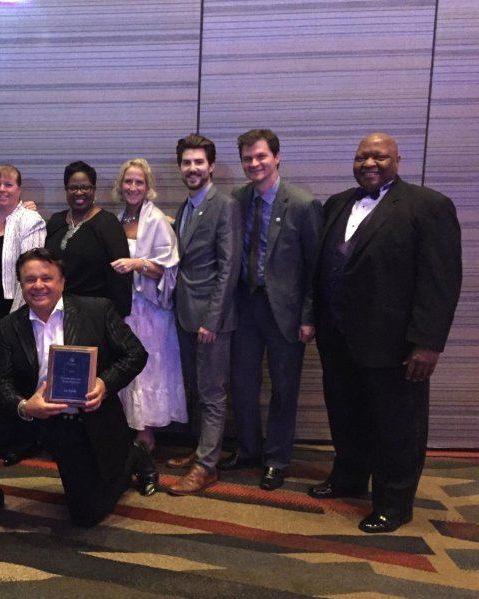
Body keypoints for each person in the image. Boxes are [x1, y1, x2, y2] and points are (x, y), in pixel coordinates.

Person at [310, 132, 462, 533]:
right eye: (362, 157)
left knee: (398, 426)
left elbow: (441, 280)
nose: (369, 163)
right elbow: (323, 267)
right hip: (337, 336)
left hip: (395, 343)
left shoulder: (428, 206)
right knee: (346, 413)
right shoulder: (337, 203)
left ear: (397, 160)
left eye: (379, 156)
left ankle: (394, 504)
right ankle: (349, 478)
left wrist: (427, 343)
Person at [0, 248, 157, 528]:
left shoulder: (96, 310)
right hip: (33, 415)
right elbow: (1, 381)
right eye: (30, 279)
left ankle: (133, 456)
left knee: (86, 516)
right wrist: (24, 407)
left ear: (62, 282)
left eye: (46, 278)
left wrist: (104, 384)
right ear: (21, 285)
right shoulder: (10, 325)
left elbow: (135, 354)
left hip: (80, 421)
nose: (38, 285)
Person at [220, 129, 322, 491]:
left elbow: (315, 267)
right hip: (245, 305)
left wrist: (309, 316)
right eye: (247, 158)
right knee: (243, 384)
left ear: (277, 157)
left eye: (261, 156)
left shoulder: (302, 204)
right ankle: (249, 448)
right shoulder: (237, 199)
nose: (254, 164)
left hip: (286, 312)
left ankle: (276, 459)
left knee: (284, 387)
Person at [167, 133, 242, 496]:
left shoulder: (224, 205)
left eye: (199, 162)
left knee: (212, 392)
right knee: (196, 389)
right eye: (186, 162)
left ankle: (206, 467)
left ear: (211, 166)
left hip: (212, 318)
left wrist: (212, 319)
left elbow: (229, 267)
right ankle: (200, 450)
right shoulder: (186, 206)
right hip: (184, 312)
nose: (192, 168)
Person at [109, 158, 187, 451]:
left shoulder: (157, 220)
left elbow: (167, 269)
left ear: (147, 187)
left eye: (139, 182)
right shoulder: (117, 219)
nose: (133, 187)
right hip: (123, 307)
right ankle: (126, 428)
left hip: (149, 308)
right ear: (121, 185)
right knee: (125, 365)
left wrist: (137, 264)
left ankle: (146, 434)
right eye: (128, 181)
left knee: (148, 367)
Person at [0, 164, 46, 398]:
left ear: (19, 189)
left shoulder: (30, 220)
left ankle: (16, 417)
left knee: (11, 372)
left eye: (8, 184)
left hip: (13, 309)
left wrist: (14, 319)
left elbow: (31, 274)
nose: (2, 189)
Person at [44, 161, 132, 317]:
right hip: (56, 310)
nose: (79, 192)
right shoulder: (56, 221)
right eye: (73, 188)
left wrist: (117, 317)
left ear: (94, 189)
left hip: (94, 313)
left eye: (85, 187)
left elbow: (121, 275)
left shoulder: (107, 223)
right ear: (66, 190)